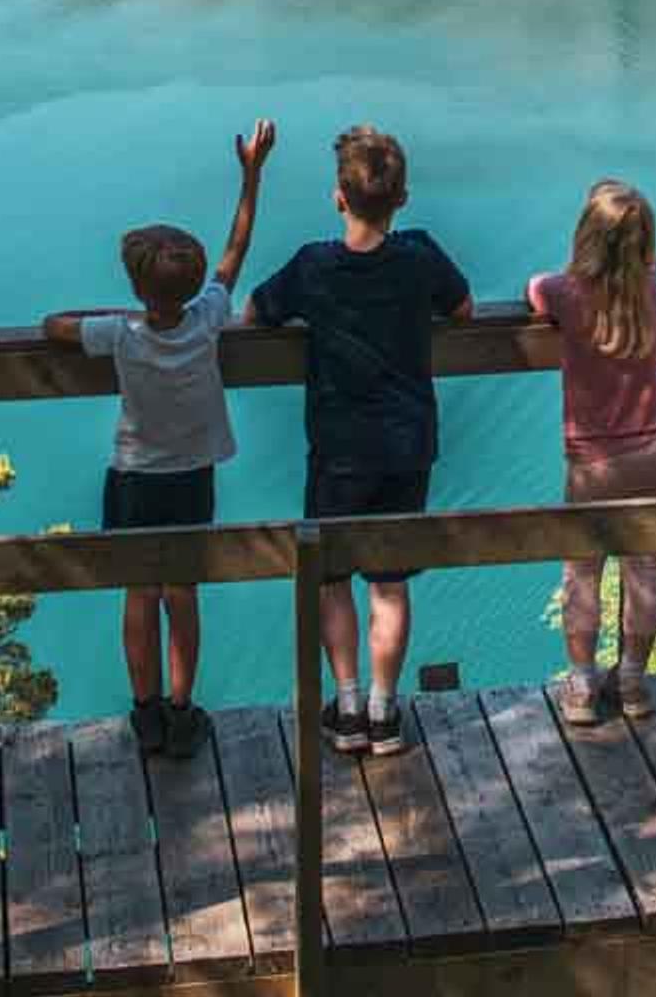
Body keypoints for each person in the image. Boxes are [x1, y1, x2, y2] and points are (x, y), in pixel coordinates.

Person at [43, 120, 272, 759]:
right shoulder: (207, 319)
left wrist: (86, 317)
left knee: (138, 592)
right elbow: (237, 250)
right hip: (191, 478)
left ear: (136, 287)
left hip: (133, 479)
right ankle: (180, 707)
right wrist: (251, 175)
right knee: (183, 593)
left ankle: (143, 712)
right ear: (193, 286)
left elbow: (54, 327)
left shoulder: (119, 333)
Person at [250, 124, 472, 757]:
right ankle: (383, 708)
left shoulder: (314, 266)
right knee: (391, 582)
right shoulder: (419, 255)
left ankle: (345, 706)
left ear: (338, 199)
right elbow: (464, 311)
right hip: (406, 444)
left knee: (330, 577)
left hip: (339, 446)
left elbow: (254, 313)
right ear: (402, 198)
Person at [528, 179, 656, 726]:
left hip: (593, 462)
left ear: (586, 239)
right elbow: (650, 266)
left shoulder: (567, 294)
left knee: (583, 570)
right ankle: (634, 681)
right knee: (643, 565)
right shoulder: (652, 288)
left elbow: (535, 287)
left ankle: (583, 685)